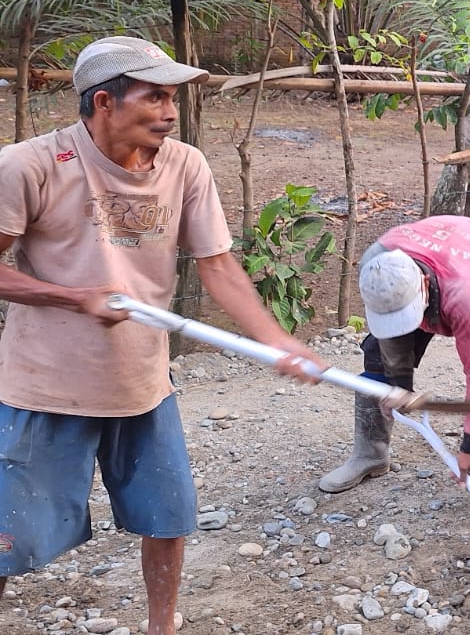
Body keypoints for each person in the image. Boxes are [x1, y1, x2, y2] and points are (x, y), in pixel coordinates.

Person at [0, 36, 325, 635]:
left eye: (172, 97)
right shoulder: (31, 165)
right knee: (8, 532)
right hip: (46, 385)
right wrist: (74, 298)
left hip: (143, 383)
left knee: (168, 518)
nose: (171, 113)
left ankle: (161, 628)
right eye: (154, 97)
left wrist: (276, 339)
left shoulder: (185, 165)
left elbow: (219, 266)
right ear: (104, 101)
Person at [319, 215, 470, 498]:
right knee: (376, 355)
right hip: (452, 259)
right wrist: (399, 386)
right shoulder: (377, 265)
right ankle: (370, 455)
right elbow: (390, 339)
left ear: (423, 284)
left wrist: (468, 448)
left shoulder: (463, 295)